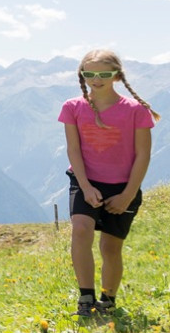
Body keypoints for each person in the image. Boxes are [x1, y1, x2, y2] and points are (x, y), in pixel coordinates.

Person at [58, 49, 159, 317]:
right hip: (84, 180)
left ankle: (108, 299)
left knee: (110, 247)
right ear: (82, 75)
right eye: (89, 74)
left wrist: (128, 194)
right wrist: (86, 186)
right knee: (81, 230)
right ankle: (86, 297)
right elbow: (74, 151)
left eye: (104, 74)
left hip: (123, 186)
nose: (96, 79)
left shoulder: (136, 110)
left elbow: (143, 155)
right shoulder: (72, 107)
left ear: (117, 75)